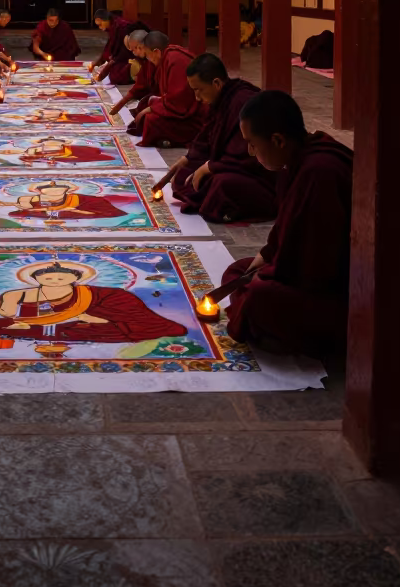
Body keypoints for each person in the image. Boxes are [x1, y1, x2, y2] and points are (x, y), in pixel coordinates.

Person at [222, 90, 353, 356]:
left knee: (259, 296)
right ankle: (261, 319)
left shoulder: (319, 173)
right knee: (238, 272)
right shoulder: (302, 157)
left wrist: (270, 273)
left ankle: (281, 329)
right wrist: (267, 255)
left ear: (279, 140)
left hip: (344, 295)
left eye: (252, 144)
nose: (248, 151)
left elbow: (316, 266)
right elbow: (288, 227)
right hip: (304, 274)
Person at [168, 54, 277, 221]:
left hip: (258, 175)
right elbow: (207, 134)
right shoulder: (221, 99)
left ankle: (229, 206)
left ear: (217, 83)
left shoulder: (244, 101)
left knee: (221, 184)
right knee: (182, 176)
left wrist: (209, 167)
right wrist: (187, 159)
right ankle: (213, 199)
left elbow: (249, 154)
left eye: (199, 90)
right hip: (227, 164)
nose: (196, 97)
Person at [0, 262, 187, 347]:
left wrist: (90, 316)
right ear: (37, 279)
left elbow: (110, 303)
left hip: (107, 308)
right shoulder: (23, 293)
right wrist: (15, 315)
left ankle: (47, 331)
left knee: (111, 316)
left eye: (62, 277)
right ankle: (44, 331)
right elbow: (6, 312)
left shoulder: (92, 293)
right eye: (48, 278)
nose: (55, 280)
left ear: (74, 278)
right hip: (59, 322)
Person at [129, 32, 205, 148]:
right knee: (145, 105)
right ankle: (165, 138)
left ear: (156, 52)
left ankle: (174, 139)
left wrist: (151, 109)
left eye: (148, 54)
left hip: (195, 116)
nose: (148, 58)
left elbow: (179, 101)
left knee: (151, 120)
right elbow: (167, 93)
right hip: (177, 104)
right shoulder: (167, 57)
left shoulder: (176, 61)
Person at [111, 30, 152, 118]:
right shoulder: (148, 60)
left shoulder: (156, 58)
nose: (133, 53)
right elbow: (141, 84)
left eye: (133, 49)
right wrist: (123, 102)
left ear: (140, 47)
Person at [92, 9, 134, 84]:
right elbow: (110, 47)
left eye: (100, 25)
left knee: (115, 75)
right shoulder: (113, 26)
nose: (100, 28)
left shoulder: (122, 27)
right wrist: (99, 62)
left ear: (100, 19)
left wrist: (111, 63)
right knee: (110, 70)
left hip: (130, 56)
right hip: (121, 56)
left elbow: (124, 51)